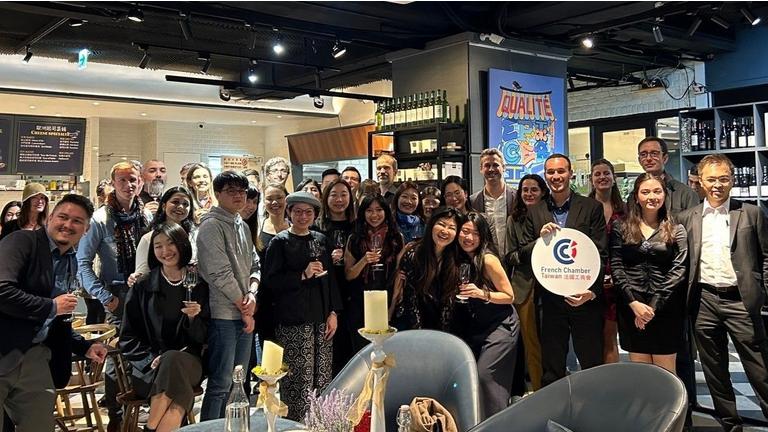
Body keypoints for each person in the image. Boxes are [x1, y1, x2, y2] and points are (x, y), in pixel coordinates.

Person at [0, 194, 107, 431]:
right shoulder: (21, 241)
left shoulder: (71, 260)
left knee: (39, 425)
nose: (68, 225)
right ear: (49, 218)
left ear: (86, 229)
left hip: (35, 356)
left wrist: (83, 346)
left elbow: (58, 317)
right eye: (63, 217)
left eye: (77, 221)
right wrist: (51, 306)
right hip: (4, 348)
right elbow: (2, 290)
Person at [677, 154, 768, 432]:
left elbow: (766, 256)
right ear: (700, 182)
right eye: (711, 179)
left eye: (723, 179)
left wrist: (763, 293)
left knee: (760, 368)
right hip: (703, 301)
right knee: (714, 369)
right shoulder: (687, 217)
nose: (717, 185)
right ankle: (730, 425)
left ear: (732, 180)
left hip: (742, 301)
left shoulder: (751, 213)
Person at [515, 153, 607, 387]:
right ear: (546, 176)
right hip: (550, 301)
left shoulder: (591, 207)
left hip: (584, 298)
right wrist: (540, 240)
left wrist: (592, 292)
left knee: (591, 362)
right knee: (551, 366)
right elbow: (523, 252)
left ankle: (594, 406)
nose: (556, 176)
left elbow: (601, 252)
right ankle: (555, 407)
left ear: (570, 174)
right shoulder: (535, 211)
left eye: (560, 171)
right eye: (551, 172)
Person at [77, 161, 151, 431]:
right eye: (122, 180)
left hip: (144, 292)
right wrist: (104, 296)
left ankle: (139, 411)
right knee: (118, 355)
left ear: (140, 182)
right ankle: (116, 418)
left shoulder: (146, 216)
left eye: (133, 179)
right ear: (113, 183)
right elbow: (82, 263)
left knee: (144, 350)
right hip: (117, 293)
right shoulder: (100, 219)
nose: (128, 185)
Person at [259, 191, 342, 421]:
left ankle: (321, 422)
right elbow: (271, 282)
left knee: (322, 376)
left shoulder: (321, 240)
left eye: (308, 212)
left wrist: (333, 312)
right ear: (289, 213)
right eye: (297, 211)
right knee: (298, 378)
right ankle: (296, 424)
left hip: (321, 317)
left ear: (315, 215)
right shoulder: (279, 242)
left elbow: (330, 280)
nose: (303, 216)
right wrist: (302, 275)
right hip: (293, 318)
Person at [120, 222, 209, 432]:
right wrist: (151, 359)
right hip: (148, 369)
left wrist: (193, 319)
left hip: (189, 363)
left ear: (182, 245)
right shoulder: (142, 286)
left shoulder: (198, 285)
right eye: (158, 246)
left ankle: (150, 427)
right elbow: (127, 337)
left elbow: (205, 337)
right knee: (176, 382)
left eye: (170, 244)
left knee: (172, 359)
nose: (165, 251)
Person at [636, 136, 699, 420]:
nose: (648, 158)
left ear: (664, 157)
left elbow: (689, 243)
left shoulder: (684, 193)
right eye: (643, 154)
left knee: (680, 357)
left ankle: (683, 416)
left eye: (653, 153)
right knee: (646, 361)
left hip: (676, 289)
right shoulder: (636, 190)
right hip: (643, 292)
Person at [197, 170, 260, 421]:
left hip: (245, 310)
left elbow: (255, 264)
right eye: (231, 191)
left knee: (238, 381)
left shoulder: (241, 224)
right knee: (221, 382)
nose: (239, 196)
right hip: (223, 314)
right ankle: (209, 427)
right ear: (217, 194)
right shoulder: (210, 226)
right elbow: (219, 273)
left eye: (242, 191)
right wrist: (245, 307)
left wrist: (252, 293)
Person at [610, 174, 687, 374]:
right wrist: (633, 302)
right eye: (645, 192)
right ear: (636, 197)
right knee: (640, 372)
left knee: (666, 373)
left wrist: (652, 306)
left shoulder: (676, 229)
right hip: (632, 306)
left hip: (666, 306)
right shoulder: (621, 226)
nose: (652, 196)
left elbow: (679, 269)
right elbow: (617, 266)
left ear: (664, 195)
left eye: (657, 191)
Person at [455, 212, 519, 418]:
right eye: (465, 231)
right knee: (470, 376)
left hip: (501, 324)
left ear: (483, 237)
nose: (469, 237)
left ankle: (498, 422)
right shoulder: (458, 257)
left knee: (486, 375)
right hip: (477, 325)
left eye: (476, 233)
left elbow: (509, 296)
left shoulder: (488, 259)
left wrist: (482, 294)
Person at [505, 174, 549, 391]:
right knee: (531, 345)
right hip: (525, 288)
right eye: (525, 190)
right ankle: (539, 390)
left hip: (552, 285)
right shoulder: (514, 220)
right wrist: (538, 244)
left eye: (534, 189)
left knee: (553, 342)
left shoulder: (552, 216)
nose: (529, 194)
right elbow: (510, 256)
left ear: (543, 192)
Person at [345, 194, 404, 350]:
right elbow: (348, 275)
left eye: (379, 210)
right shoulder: (355, 238)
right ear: (363, 213)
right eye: (369, 210)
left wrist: (392, 306)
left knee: (387, 352)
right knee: (362, 352)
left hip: (387, 300)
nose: (374, 215)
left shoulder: (396, 238)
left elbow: (398, 274)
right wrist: (364, 260)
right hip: (360, 303)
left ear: (386, 212)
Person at [393, 206, 462, 331]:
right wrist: (419, 334)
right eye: (441, 224)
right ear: (431, 225)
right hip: (414, 323)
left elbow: (449, 302)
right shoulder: (414, 254)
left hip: (446, 325)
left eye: (452, 228)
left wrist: (443, 335)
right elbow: (411, 299)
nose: (445, 231)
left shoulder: (457, 258)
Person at [587, 159, 626, 364]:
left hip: (617, 280)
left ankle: (611, 379)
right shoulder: (583, 208)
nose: (602, 177)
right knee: (590, 336)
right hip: (589, 280)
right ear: (591, 179)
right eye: (597, 174)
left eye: (606, 173)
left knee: (610, 336)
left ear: (614, 177)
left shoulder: (626, 210)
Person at [316, 178, 355, 374]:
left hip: (352, 289)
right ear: (326, 198)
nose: (339, 200)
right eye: (334, 195)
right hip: (326, 291)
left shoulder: (357, 226)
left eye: (343, 194)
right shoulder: (317, 227)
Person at [130, 187, 197, 284]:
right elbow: (142, 274)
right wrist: (135, 278)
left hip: (190, 287)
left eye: (185, 204)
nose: (180, 207)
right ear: (164, 206)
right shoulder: (149, 238)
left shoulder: (194, 236)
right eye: (175, 202)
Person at [469, 148, 516, 257]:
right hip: (486, 259)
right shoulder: (473, 201)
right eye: (487, 165)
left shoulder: (517, 198)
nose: (491, 169)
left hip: (514, 260)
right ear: (481, 169)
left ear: (504, 167)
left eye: (495, 165)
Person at [257, 183, 290, 262]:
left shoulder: (295, 226)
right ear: (264, 202)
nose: (274, 202)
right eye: (269, 199)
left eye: (279, 198)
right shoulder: (258, 227)